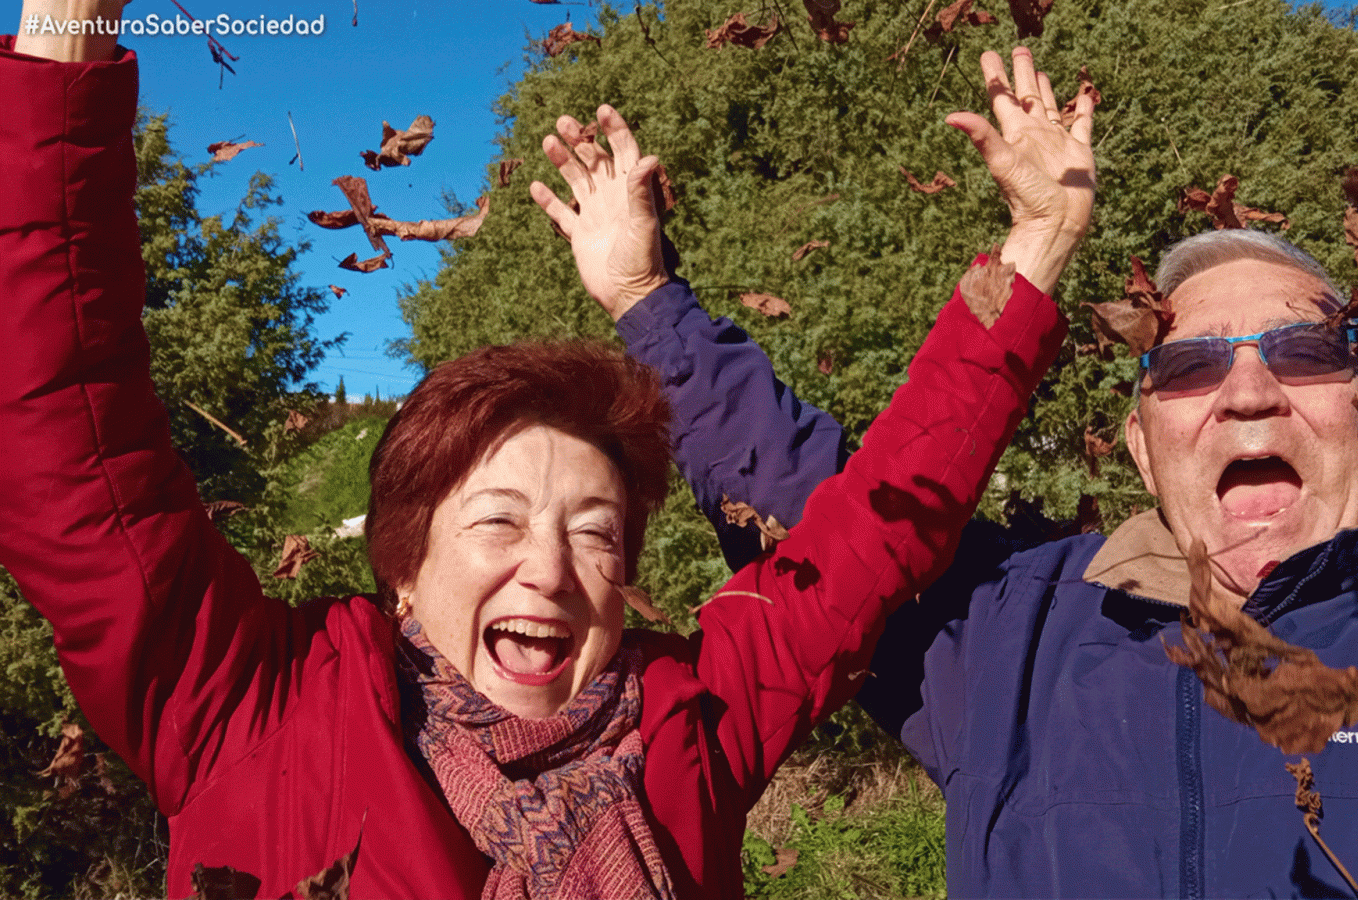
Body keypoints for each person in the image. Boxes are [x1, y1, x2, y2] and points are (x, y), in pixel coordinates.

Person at [0, 3, 1093, 897]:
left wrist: (1035, 250)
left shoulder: (694, 716)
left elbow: (877, 527)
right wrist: (63, 33)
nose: (552, 569)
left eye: (594, 529)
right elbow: (63, 429)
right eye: (497, 520)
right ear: (401, 562)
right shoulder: (248, 708)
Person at [606, 94, 1358, 900]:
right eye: (1188, 371)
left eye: (1300, 353)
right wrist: (647, 303)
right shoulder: (1009, 638)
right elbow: (822, 510)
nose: (1247, 393)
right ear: (1139, 443)